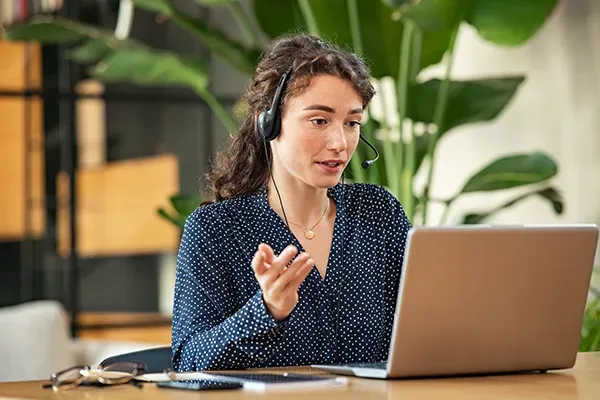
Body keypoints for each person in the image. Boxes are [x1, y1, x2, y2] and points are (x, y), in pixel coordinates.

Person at [171, 33, 412, 372]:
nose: (340, 143)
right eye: (319, 120)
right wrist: (267, 310)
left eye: (352, 123)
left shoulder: (378, 213)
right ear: (267, 122)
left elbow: (422, 330)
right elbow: (188, 363)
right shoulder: (215, 230)